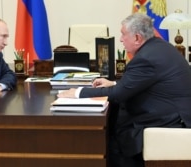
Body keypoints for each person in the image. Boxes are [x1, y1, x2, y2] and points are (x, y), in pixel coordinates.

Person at [57, 13, 191, 167]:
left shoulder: (146, 58)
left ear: (137, 38)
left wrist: (77, 92)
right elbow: (138, 83)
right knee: (115, 121)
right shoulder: (160, 46)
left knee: (115, 135)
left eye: (123, 34)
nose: (120, 39)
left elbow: (118, 95)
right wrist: (113, 84)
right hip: (174, 113)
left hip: (169, 122)